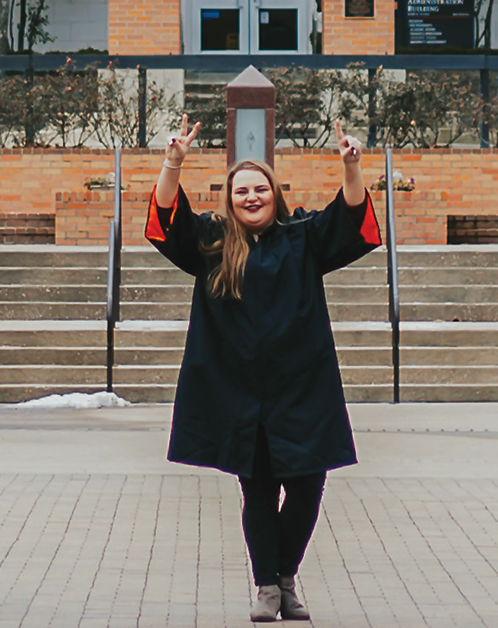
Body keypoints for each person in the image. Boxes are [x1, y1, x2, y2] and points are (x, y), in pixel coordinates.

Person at [146, 114, 381, 622]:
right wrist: (173, 162)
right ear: (229, 200)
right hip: (238, 390)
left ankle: (283, 573)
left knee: (307, 486)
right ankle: (270, 589)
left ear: (274, 193)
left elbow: (351, 218)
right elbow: (166, 220)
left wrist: (351, 167)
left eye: (259, 189)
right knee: (257, 489)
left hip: (302, 385)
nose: (251, 198)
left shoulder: (302, 237)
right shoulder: (212, 243)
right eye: (241, 192)